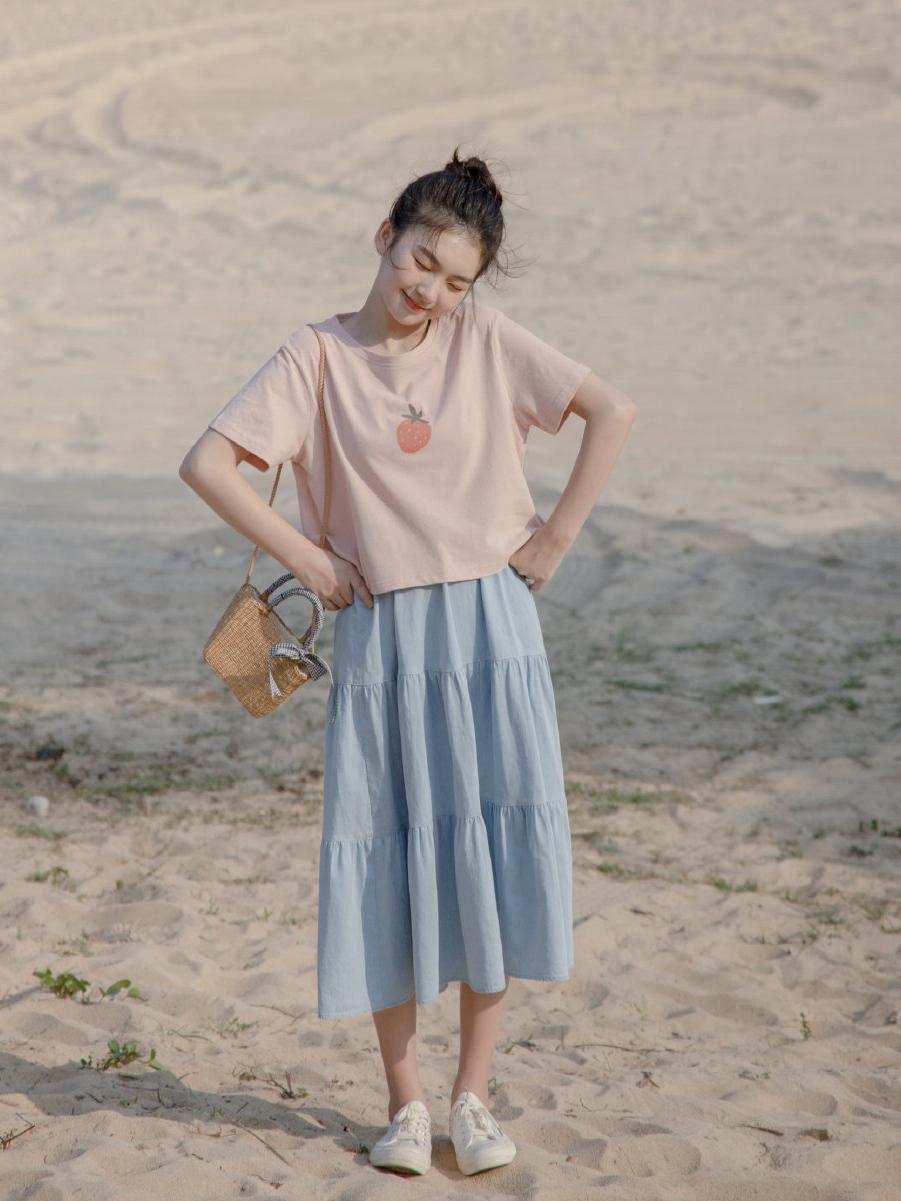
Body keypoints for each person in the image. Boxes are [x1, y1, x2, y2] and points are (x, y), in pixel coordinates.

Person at [179, 145, 637, 1178]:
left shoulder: (484, 341)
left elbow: (610, 411)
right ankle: (405, 1104)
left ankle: (472, 1096)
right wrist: (310, 558)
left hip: (492, 630)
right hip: (383, 637)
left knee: (489, 851)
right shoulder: (315, 356)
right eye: (421, 261)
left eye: (456, 280)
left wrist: (555, 538)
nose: (430, 292)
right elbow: (207, 463)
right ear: (385, 237)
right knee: (387, 853)